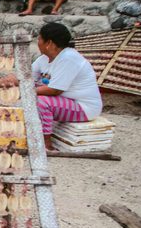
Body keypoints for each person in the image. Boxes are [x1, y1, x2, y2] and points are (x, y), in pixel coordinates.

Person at [32, 22, 102, 151]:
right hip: (66, 102)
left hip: (84, 107)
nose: (38, 42)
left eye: (40, 39)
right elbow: (26, 77)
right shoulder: (43, 59)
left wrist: (25, 91)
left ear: (50, 43)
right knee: (30, 95)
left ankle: (46, 142)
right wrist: (3, 82)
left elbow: (54, 90)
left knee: (39, 101)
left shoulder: (68, 58)